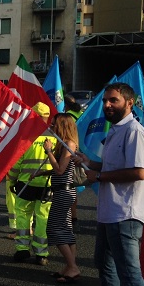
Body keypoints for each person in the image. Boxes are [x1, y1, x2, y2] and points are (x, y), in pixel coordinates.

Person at [79, 83, 144, 286]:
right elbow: (114, 166)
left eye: (113, 100)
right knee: (103, 262)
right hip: (110, 212)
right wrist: (88, 162)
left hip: (125, 214)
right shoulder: (116, 131)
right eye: (105, 101)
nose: (107, 106)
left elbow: (139, 172)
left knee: (130, 274)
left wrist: (99, 177)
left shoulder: (135, 132)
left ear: (130, 103)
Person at [8, 102, 54, 266]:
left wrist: (12, 180)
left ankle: (22, 249)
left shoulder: (26, 136)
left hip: (25, 184)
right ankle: (41, 254)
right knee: (43, 219)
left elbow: (16, 162)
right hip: (47, 185)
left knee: (23, 216)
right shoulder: (54, 137)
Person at [43, 113, 80, 283]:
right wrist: (42, 172)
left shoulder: (69, 144)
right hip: (62, 191)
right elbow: (58, 170)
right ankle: (70, 266)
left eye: (54, 123)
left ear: (62, 125)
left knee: (54, 228)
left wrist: (49, 151)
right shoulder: (64, 144)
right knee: (65, 228)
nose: (51, 126)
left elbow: (60, 170)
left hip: (64, 192)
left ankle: (72, 266)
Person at [64, 94, 83, 231]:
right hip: (80, 151)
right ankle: (73, 218)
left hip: (69, 150)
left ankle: (68, 220)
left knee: (66, 187)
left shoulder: (67, 117)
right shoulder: (82, 114)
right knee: (72, 188)